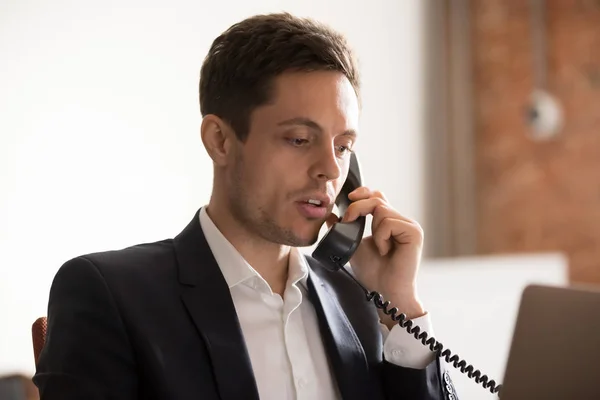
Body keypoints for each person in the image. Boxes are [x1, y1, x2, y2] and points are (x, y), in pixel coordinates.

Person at [33, 12, 459, 400]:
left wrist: (401, 307)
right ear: (220, 140)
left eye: (343, 146)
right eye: (299, 139)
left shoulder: (361, 302)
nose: (330, 169)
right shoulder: (109, 293)